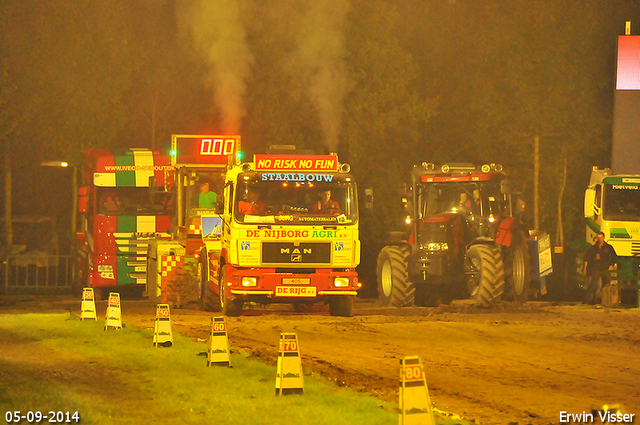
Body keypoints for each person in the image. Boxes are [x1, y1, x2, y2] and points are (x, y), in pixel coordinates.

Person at [583, 231, 618, 304]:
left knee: (606, 284)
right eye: (598, 237)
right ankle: (588, 300)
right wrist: (588, 265)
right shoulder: (593, 248)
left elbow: (614, 257)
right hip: (596, 268)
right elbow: (587, 258)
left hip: (605, 268)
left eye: (601, 237)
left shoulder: (608, 247)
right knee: (593, 284)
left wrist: (611, 264)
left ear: (604, 238)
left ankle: (605, 301)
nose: (599, 239)